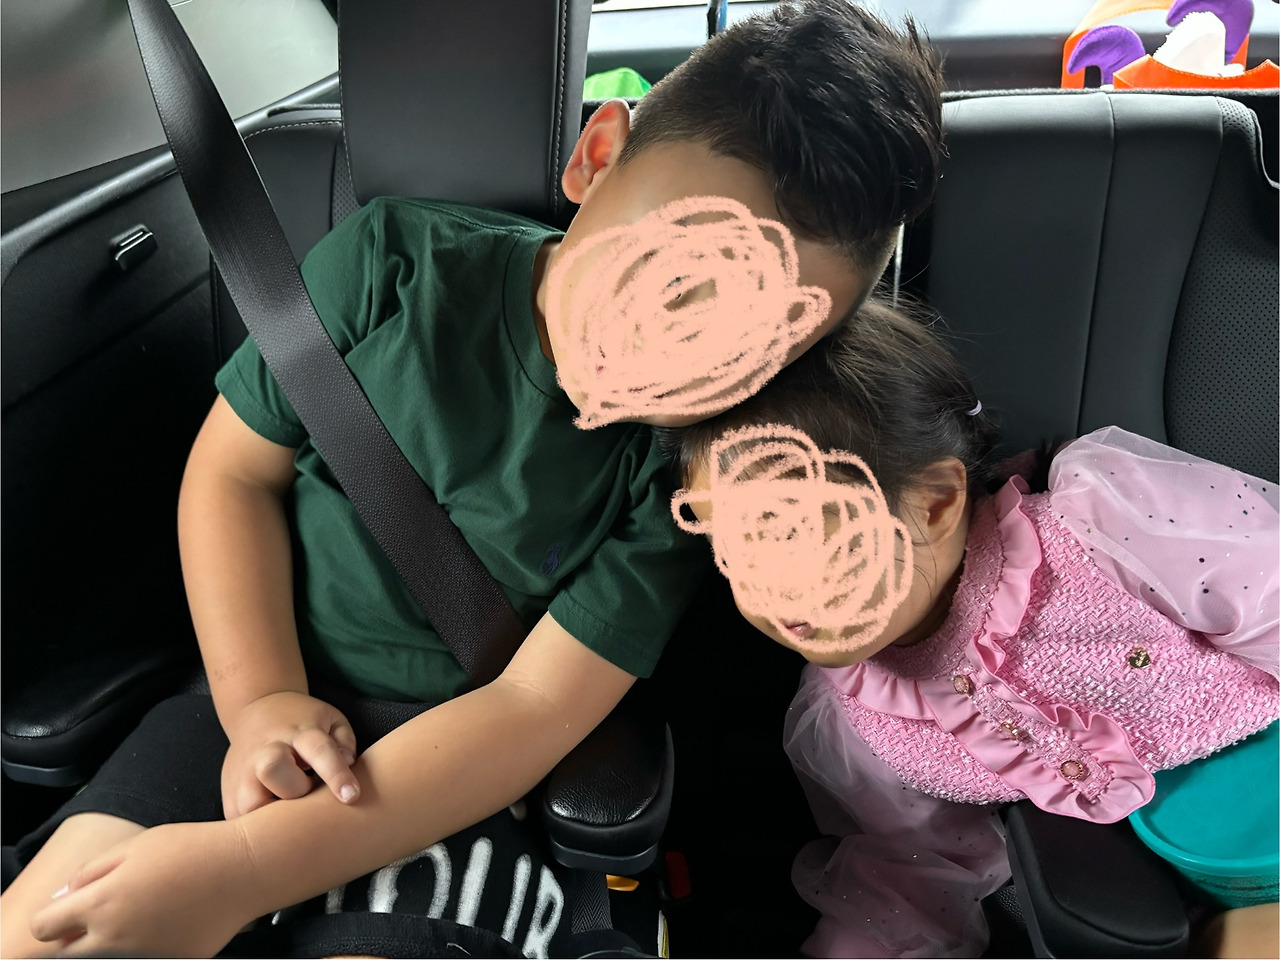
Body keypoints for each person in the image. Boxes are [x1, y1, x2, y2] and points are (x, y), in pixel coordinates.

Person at [0, 2, 947, 956]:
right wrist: (259, 704)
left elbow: (532, 707)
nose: (678, 350)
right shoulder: (393, 265)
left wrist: (247, 867)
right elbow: (232, 475)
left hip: (452, 781)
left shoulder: (680, 479)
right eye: (666, 269)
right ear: (596, 159)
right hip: (245, 693)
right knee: (50, 931)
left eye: (756, 341)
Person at [661, 300, 1280, 958]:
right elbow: (913, 875)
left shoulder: (1098, 527)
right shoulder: (859, 721)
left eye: (790, 535)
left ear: (935, 501)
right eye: (731, 551)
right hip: (1177, 878)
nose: (760, 585)